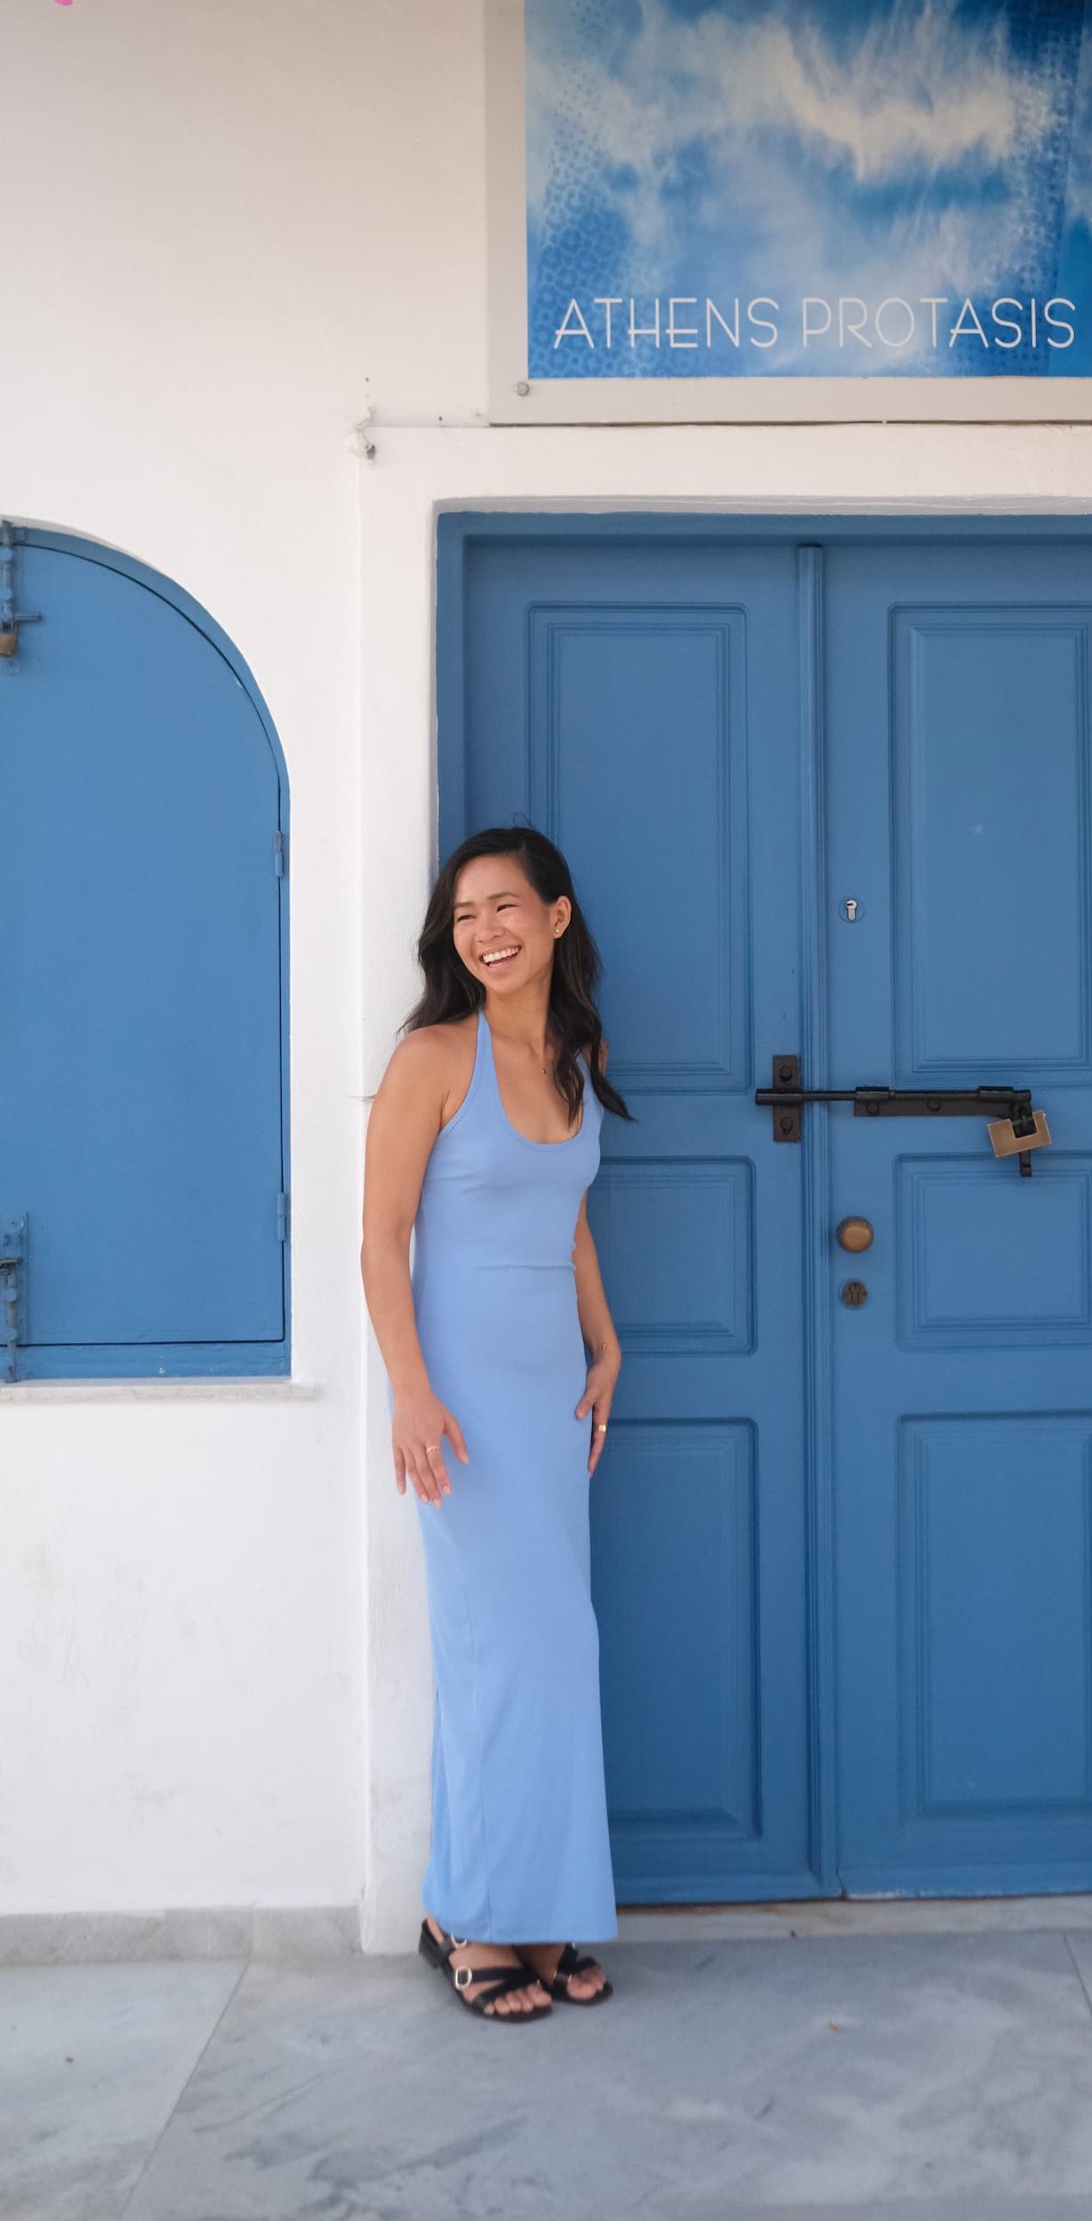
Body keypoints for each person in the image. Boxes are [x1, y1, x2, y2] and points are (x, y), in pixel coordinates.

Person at [361, 822, 633, 2022]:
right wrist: (411, 1389)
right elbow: (381, 1240)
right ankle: (471, 1915)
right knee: (496, 1656)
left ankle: (530, 1907)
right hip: (461, 1402)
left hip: (549, 1392)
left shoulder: (579, 1055)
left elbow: (567, 1217)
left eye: (507, 906)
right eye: (465, 915)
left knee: (556, 1651)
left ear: (557, 917)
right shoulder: (432, 1056)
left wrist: (607, 1342)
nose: (486, 931)